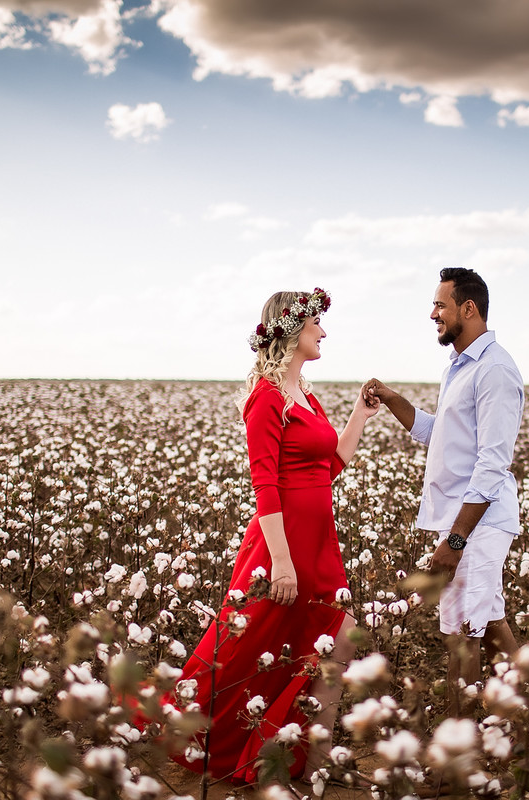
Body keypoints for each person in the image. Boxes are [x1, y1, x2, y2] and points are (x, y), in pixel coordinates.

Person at [167, 288, 379, 785]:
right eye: (315, 324)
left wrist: (359, 414)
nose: (323, 332)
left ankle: (312, 762)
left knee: (335, 640)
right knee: (249, 648)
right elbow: (265, 484)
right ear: (292, 330)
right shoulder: (266, 397)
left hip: (318, 542)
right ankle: (193, 731)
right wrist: (281, 563)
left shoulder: (305, 395)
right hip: (281, 546)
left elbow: (330, 467)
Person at [365, 267, 524, 718]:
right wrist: (393, 399)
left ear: (468, 309)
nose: (432, 313)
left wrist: (455, 541)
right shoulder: (460, 366)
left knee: (462, 635)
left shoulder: (494, 370)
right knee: (489, 623)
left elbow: (492, 462)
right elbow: (443, 434)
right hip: (468, 520)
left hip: (477, 523)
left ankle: (458, 744)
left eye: (441, 305)